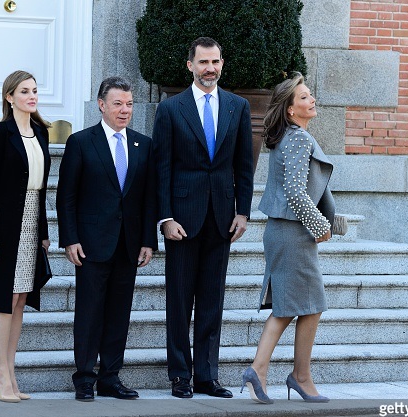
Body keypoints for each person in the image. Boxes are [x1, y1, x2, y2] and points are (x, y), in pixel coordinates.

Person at [152, 37, 254, 399]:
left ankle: (207, 376)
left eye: (215, 62)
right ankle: (181, 375)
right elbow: (161, 168)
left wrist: (243, 211)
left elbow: (244, 163)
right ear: (190, 65)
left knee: (212, 300)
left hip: (222, 219)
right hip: (182, 219)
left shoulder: (237, 106)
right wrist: (164, 218)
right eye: (203, 62)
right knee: (179, 300)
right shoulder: (171, 109)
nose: (210, 68)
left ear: (222, 64)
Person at [56, 76, 157, 402]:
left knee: (119, 313)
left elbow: (147, 198)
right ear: (101, 105)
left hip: (128, 244)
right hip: (91, 243)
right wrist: (69, 238)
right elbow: (66, 196)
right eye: (118, 104)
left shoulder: (143, 144)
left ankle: (110, 377)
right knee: (89, 313)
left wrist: (148, 240)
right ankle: (85, 378)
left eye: (128, 104)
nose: (124, 110)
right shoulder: (81, 142)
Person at [240, 72, 334, 404]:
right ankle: (299, 376)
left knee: (295, 306)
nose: (312, 100)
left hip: (287, 232)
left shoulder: (292, 136)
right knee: (307, 305)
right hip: (292, 232)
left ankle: (262, 370)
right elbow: (295, 193)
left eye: (310, 95)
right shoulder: (297, 139)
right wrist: (320, 225)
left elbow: (300, 189)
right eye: (305, 97)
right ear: (291, 110)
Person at [0, 70, 52, 403]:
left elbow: (42, 188)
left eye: (34, 91)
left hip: (32, 222)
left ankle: (9, 372)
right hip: (5, 227)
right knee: (5, 300)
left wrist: (44, 232)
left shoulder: (41, 133)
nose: (31, 96)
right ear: (9, 97)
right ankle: (1, 373)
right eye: (24, 91)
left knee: (20, 298)